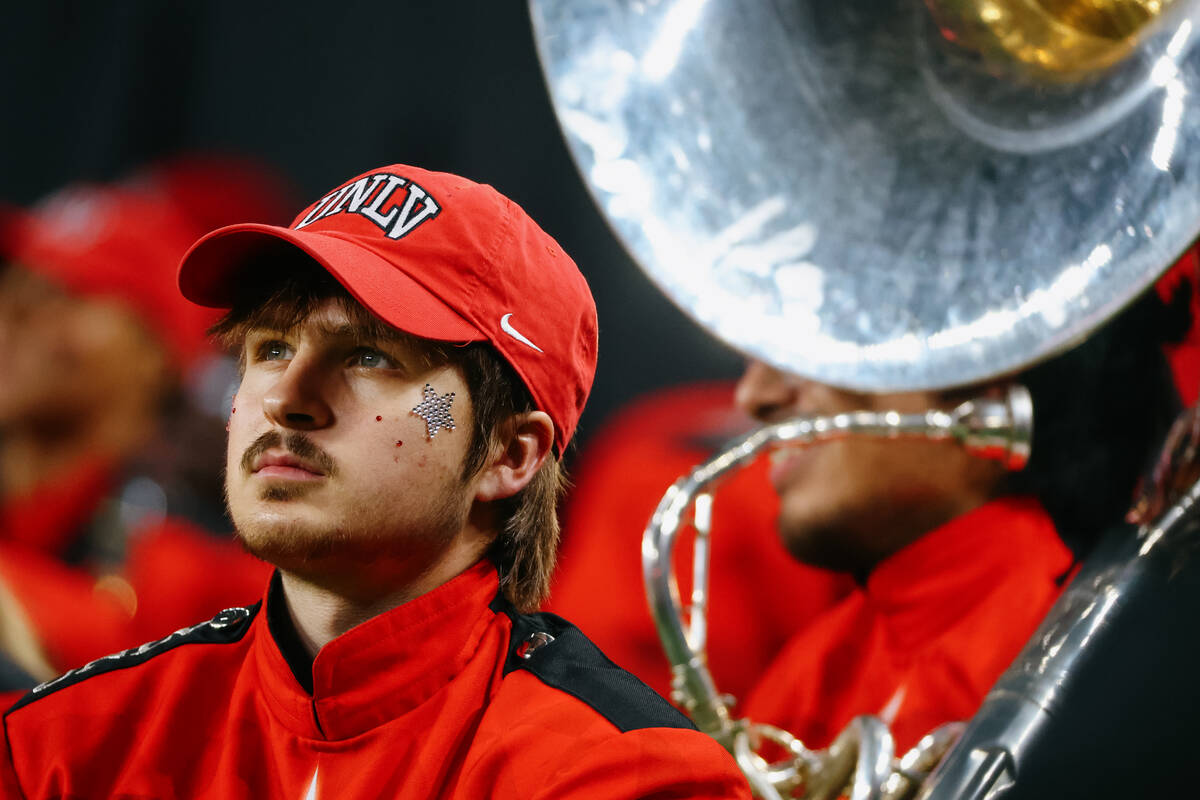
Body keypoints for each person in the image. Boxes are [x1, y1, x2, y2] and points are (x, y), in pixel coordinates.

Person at [0, 163, 751, 799]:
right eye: (269, 347)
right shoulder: (65, 742)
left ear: (509, 454)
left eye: (368, 357)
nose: (288, 397)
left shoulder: (621, 776)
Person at [732, 276, 1186, 754]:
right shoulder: (805, 676)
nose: (753, 396)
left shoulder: (1104, 643)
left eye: (812, 336)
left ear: (982, 364)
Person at [0, 161, 286, 674]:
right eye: (16, 283)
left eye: (70, 294)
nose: (18, 313)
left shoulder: (207, 553)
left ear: (156, 355)